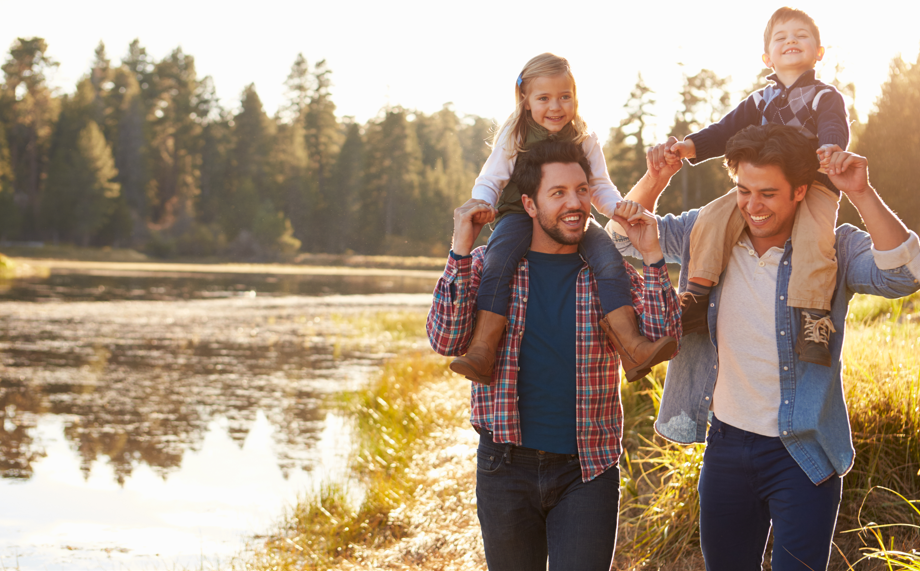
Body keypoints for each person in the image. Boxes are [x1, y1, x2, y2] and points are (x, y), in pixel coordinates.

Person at [613, 123, 920, 570]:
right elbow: (624, 238)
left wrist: (862, 192)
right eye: (743, 190)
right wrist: (658, 177)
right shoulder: (707, 233)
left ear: (800, 191)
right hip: (727, 446)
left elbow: (903, 276)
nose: (752, 206)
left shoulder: (832, 247)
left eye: (768, 194)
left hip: (801, 451)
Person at [428, 140, 681, 570]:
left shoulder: (608, 273)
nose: (576, 203)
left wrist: (653, 254)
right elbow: (446, 340)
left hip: (588, 469)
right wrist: (460, 250)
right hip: (504, 467)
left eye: (582, 191)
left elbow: (665, 335)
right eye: (558, 193)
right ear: (529, 203)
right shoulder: (494, 266)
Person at [449, 52, 675, 385]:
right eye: (544, 98)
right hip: (516, 214)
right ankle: (483, 348)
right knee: (498, 261)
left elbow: (599, 186)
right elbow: (491, 179)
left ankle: (632, 345)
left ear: (575, 98)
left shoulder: (584, 138)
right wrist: (482, 202)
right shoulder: (515, 134)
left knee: (608, 259)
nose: (555, 107)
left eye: (564, 97)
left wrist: (617, 209)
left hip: (573, 217)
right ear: (525, 101)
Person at [655, 7, 848, 367]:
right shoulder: (760, 100)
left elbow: (835, 126)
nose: (791, 40)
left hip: (814, 181)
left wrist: (832, 148)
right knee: (712, 217)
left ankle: (813, 317)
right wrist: (690, 146)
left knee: (815, 235)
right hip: (761, 185)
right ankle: (696, 296)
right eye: (781, 37)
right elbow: (724, 130)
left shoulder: (824, 97)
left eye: (801, 35)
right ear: (767, 56)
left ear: (819, 52)